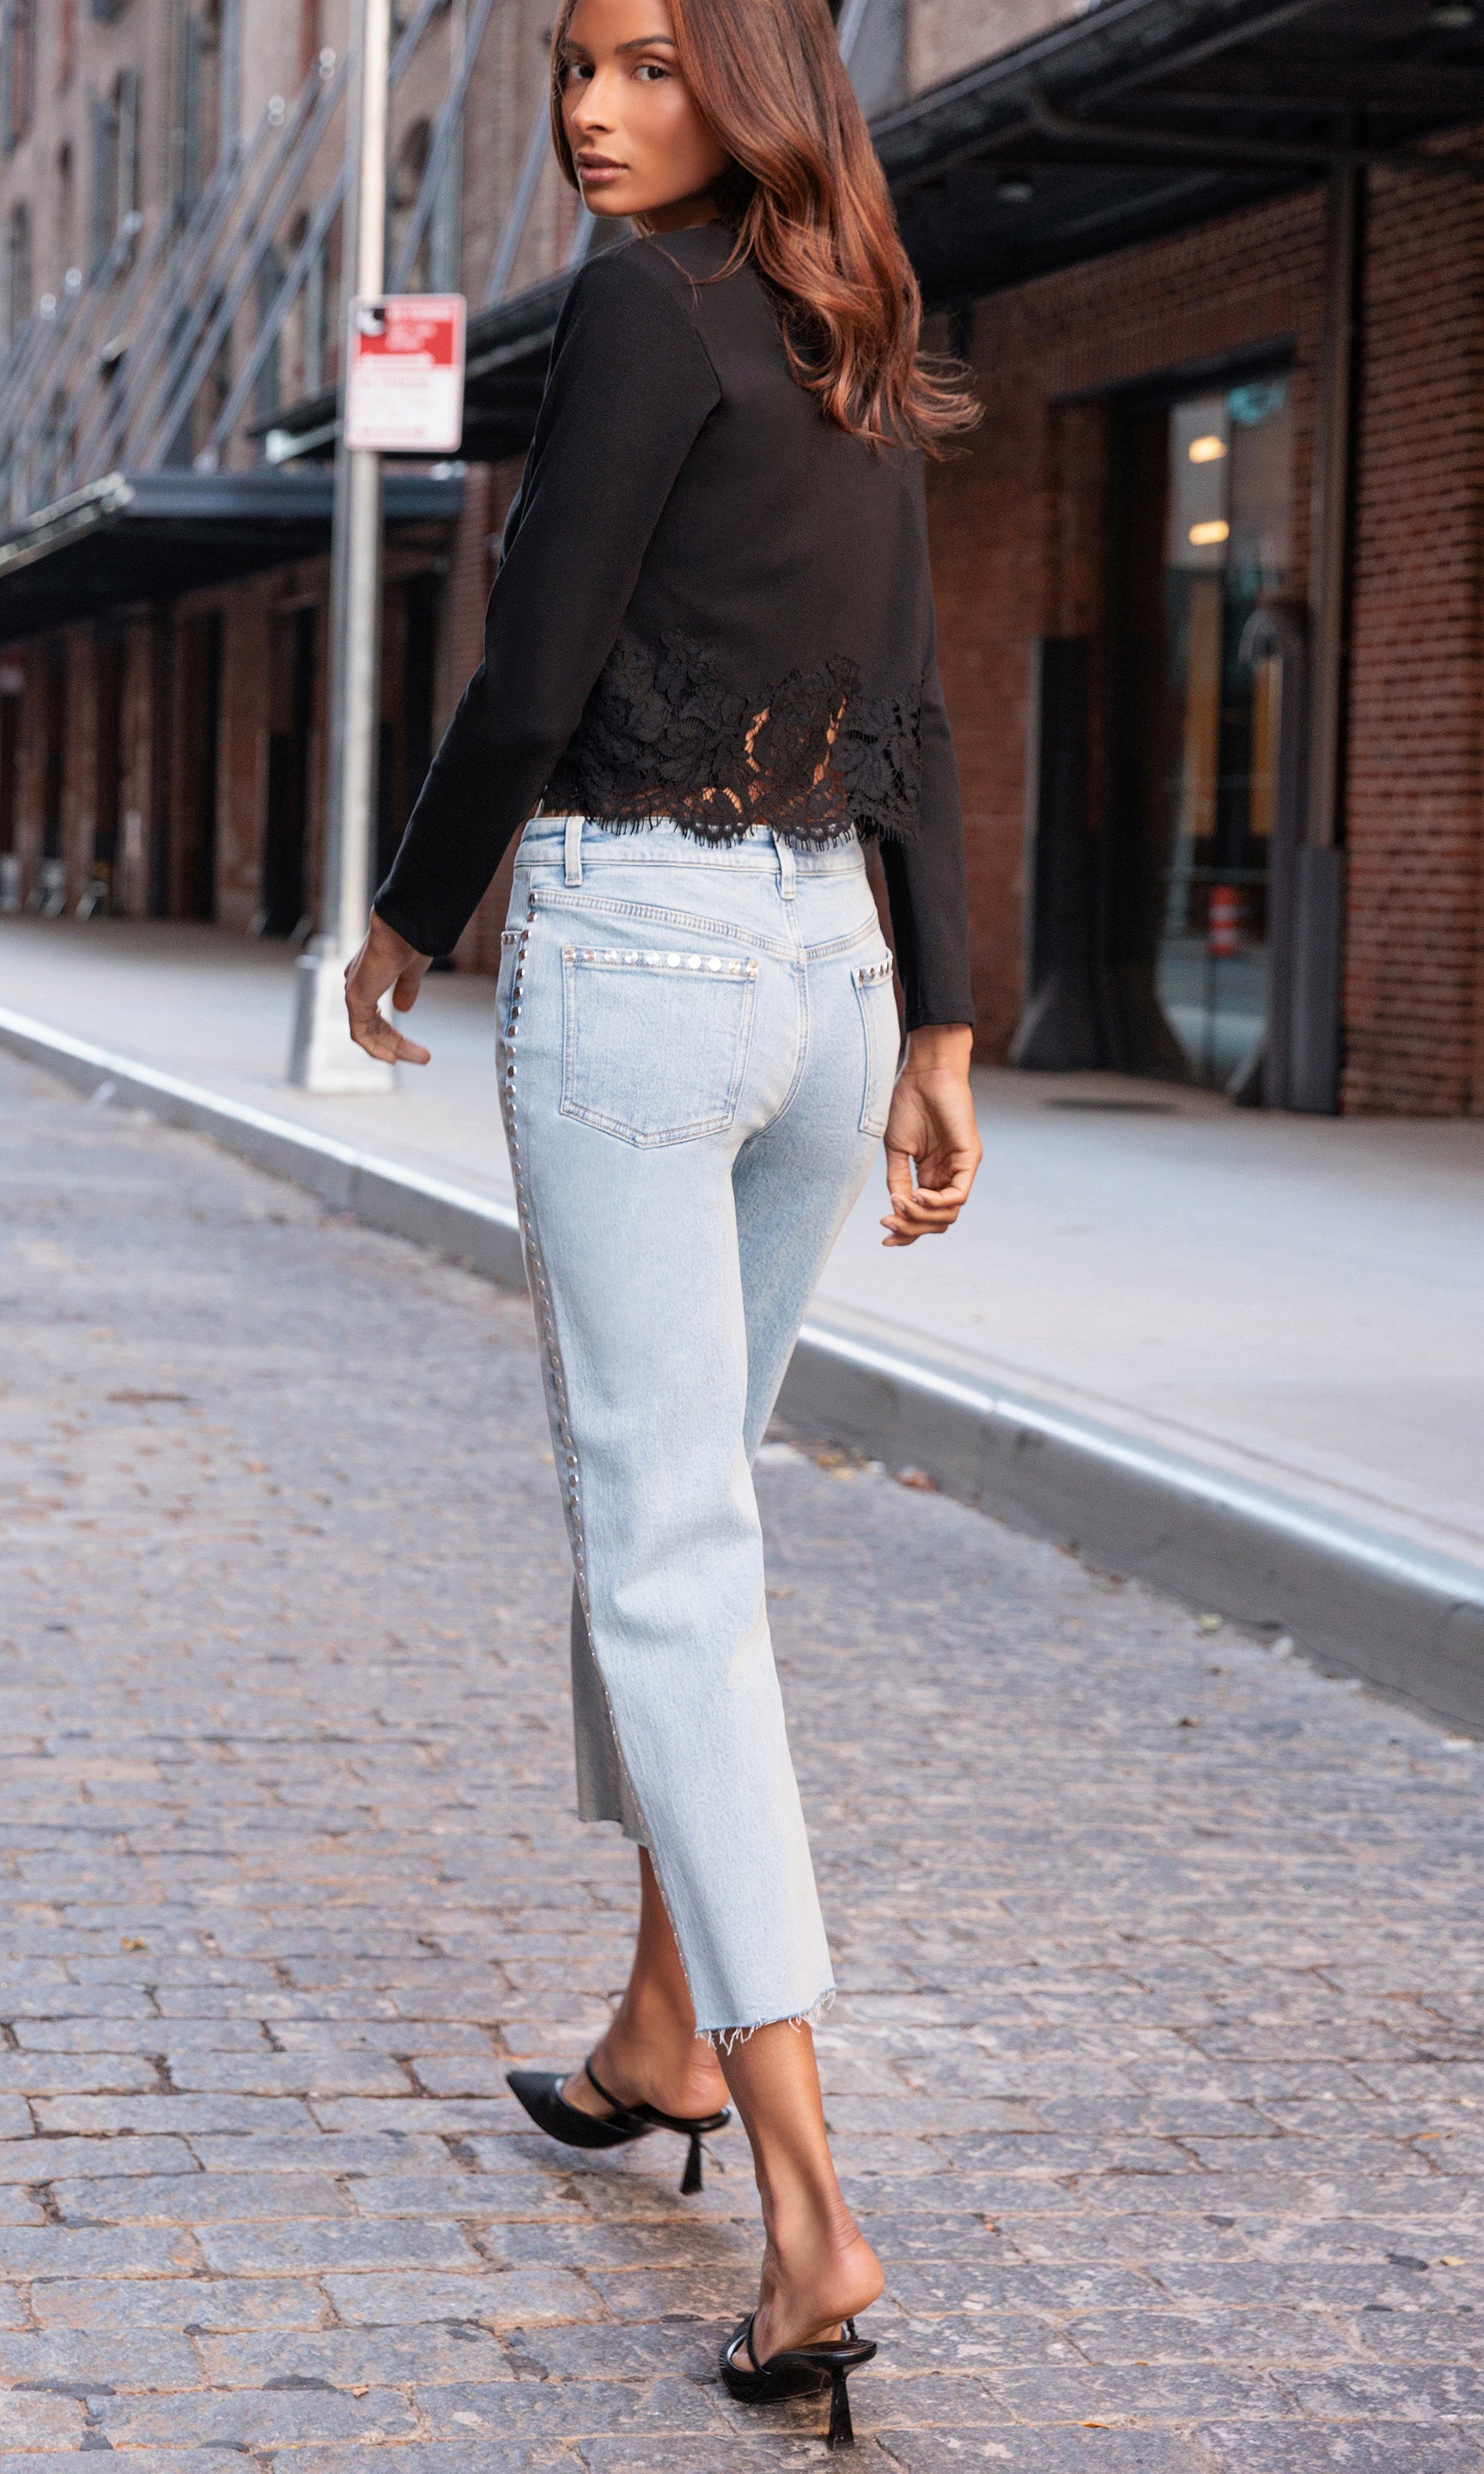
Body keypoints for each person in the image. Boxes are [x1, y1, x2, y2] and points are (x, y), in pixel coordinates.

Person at [344, 0, 982, 2443]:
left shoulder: (647, 305)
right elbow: (909, 698)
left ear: (738, 68)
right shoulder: (845, 300)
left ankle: (815, 2207)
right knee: (687, 1506)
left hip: (641, 962)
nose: (592, 112)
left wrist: (411, 907)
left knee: (660, 1544)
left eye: (635, 60)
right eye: (565, 71)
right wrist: (937, 1020)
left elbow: (540, 654)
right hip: (825, 976)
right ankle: (660, 2033)